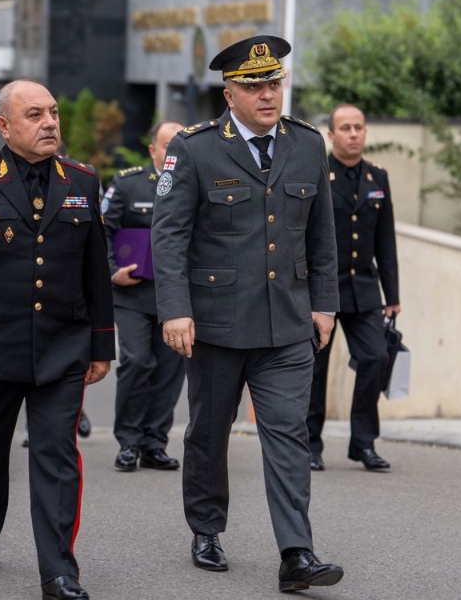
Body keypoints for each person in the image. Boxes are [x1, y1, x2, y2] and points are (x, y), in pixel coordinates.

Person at [152, 36, 345, 592]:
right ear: (228, 92)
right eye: (255, 86)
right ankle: (207, 528)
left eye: (275, 83)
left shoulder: (308, 145)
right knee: (209, 433)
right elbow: (169, 238)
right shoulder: (194, 149)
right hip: (214, 323)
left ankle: (296, 553)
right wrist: (175, 311)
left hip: (286, 321)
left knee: (287, 434)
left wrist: (324, 304)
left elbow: (321, 235)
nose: (269, 94)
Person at [0, 80, 114, 600]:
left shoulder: (82, 179)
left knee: (56, 455)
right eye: (35, 114)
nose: (51, 122)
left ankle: (58, 571)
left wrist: (101, 344)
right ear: (5, 126)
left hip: (62, 345)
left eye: (53, 112)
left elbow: (96, 269)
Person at [307, 104, 400, 472]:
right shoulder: (317, 174)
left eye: (359, 127)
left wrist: (392, 296)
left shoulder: (378, 177)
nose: (353, 134)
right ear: (331, 135)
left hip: (363, 289)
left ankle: (363, 443)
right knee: (315, 370)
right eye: (345, 128)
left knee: (376, 358)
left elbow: (385, 242)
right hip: (322, 291)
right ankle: (310, 444)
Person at [103, 120, 186, 472]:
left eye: (180, 145)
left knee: (170, 370)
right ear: (153, 150)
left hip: (176, 297)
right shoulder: (127, 183)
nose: (173, 153)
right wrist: (111, 273)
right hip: (133, 294)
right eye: (168, 145)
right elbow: (101, 232)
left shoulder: (195, 183)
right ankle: (129, 441)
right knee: (138, 361)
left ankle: (155, 442)